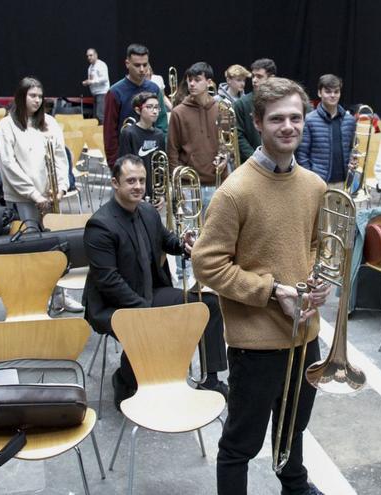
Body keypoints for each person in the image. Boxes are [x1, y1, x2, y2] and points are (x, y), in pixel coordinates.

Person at [192, 77, 329, 495]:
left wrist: (317, 280)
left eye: (295, 118)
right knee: (240, 445)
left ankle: (295, 485)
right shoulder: (235, 192)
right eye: (276, 119)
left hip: (305, 335)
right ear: (258, 122)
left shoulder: (313, 185)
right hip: (257, 345)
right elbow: (206, 265)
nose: (288, 126)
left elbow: (314, 245)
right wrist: (273, 292)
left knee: (294, 428)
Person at [82, 154, 229, 406]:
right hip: (113, 305)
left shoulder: (147, 211)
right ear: (115, 183)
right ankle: (125, 379)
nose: (138, 186)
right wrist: (147, 311)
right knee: (153, 324)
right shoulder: (100, 225)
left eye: (141, 180)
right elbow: (109, 281)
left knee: (210, 305)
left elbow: (165, 240)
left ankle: (210, 377)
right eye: (130, 181)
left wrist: (184, 245)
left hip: (150, 292)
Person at [0, 77, 81, 312]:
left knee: (58, 247)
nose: (37, 100)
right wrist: (35, 195)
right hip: (24, 198)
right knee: (32, 250)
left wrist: (61, 188)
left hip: (52, 196)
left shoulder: (50, 123)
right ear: (21, 96)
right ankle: (36, 300)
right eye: (32, 95)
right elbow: (9, 165)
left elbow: (62, 158)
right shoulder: (7, 125)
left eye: (40, 96)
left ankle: (59, 295)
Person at [167, 62, 224, 210]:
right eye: (189, 79)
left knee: (216, 232)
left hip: (217, 183)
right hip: (189, 185)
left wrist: (225, 157)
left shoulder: (221, 109)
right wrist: (176, 185)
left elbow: (227, 145)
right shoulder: (178, 112)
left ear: (209, 82)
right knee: (190, 232)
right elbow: (172, 151)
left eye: (197, 80)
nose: (191, 84)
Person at [103, 43, 169, 167]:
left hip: (152, 156)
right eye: (137, 65)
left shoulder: (154, 89)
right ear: (127, 63)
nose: (142, 69)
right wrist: (114, 165)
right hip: (126, 158)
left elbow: (162, 123)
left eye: (145, 65)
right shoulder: (115, 92)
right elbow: (110, 134)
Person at [297, 74, 356, 188]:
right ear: (320, 93)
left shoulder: (350, 120)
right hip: (318, 182)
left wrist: (352, 163)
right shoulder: (309, 120)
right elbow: (302, 155)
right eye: (328, 92)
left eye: (336, 91)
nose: (333, 95)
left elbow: (352, 149)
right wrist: (311, 179)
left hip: (344, 182)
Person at [118, 92, 165, 204]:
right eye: (149, 107)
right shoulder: (128, 133)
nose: (154, 111)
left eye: (157, 108)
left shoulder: (159, 135)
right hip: (135, 191)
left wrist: (162, 194)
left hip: (154, 191)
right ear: (138, 110)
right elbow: (124, 167)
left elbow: (162, 165)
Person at [233, 58, 277, 162]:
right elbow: (238, 136)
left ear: (271, 78)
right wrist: (256, 158)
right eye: (253, 76)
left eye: (259, 76)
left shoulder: (279, 102)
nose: (254, 80)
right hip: (251, 162)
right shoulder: (242, 103)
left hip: (278, 160)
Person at [82, 48, 110, 123]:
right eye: (87, 56)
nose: (89, 57)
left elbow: (105, 79)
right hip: (95, 94)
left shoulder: (101, 64)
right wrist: (88, 82)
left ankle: (104, 134)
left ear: (96, 55)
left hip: (102, 93)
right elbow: (92, 79)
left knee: (100, 116)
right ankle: (97, 134)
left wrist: (91, 81)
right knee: (96, 117)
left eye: (91, 55)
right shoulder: (90, 67)